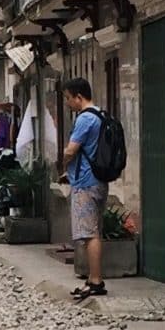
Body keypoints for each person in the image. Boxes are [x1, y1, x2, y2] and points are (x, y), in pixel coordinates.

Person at [61, 76, 108, 302]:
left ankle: (96, 280)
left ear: (79, 97)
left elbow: (71, 150)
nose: (68, 103)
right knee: (94, 230)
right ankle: (93, 277)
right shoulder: (101, 115)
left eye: (69, 99)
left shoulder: (84, 119)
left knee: (89, 234)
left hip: (85, 183)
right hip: (98, 180)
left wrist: (63, 163)